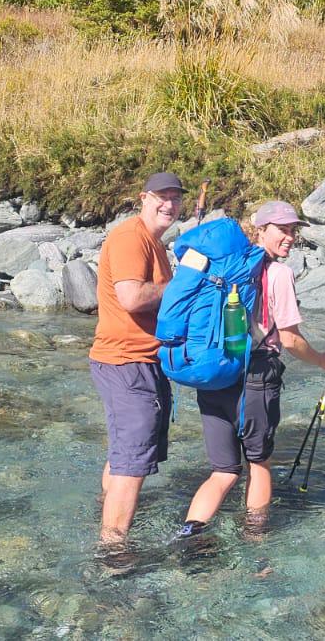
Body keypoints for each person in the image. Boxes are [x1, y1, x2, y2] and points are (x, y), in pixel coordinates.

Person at [177, 200, 325, 539]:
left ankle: (189, 536)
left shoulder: (221, 267)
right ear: (260, 229)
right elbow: (289, 339)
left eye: (293, 230)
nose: (290, 237)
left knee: (223, 472)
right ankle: (255, 542)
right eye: (282, 230)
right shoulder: (279, 274)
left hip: (214, 374)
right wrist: (323, 360)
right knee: (259, 464)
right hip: (256, 378)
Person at [90, 171, 184, 546]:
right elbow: (131, 298)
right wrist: (181, 285)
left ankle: (107, 511)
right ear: (143, 198)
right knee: (131, 462)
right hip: (125, 362)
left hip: (141, 361)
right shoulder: (132, 238)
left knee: (124, 453)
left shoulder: (154, 242)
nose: (169, 204)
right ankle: (112, 550)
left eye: (176, 198)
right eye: (162, 196)